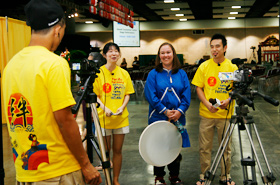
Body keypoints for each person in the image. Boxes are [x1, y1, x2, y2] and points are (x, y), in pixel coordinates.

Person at [2, 0, 102, 184]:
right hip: (58, 170)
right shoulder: (54, 64)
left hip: (25, 170)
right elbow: (64, 121)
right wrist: (86, 164)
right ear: (58, 29)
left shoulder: (11, 66)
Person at [191, 33, 238, 185]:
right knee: (205, 147)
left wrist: (229, 100)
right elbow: (198, 88)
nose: (214, 50)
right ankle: (205, 175)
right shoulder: (204, 66)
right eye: (212, 47)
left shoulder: (232, 67)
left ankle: (225, 176)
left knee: (226, 147)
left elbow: (237, 90)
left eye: (217, 46)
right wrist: (206, 103)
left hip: (225, 115)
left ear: (225, 48)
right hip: (207, 114)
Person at [144, 42, 191, 185]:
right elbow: (150, 95)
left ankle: (174, 176)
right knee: (158, 146)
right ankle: (159, 178)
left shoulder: (182, 74)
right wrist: (164, 110)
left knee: (174, 146)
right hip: (158, 117)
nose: (165, 55)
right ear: (159, 56)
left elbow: (186, 95)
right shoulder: (153, 74)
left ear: (173, 54)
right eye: (162, 53)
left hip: (178, 117)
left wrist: (179, 111)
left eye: (168, 52)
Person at [93, 42, 135, 185]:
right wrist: (105, 109)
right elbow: (95, 95)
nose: (114, 53)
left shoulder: (124, 73)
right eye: (110, 51)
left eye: (116, 51)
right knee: (106, 152)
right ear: (105, 55)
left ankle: (115, 180)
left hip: (120, 119)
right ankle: (108, 180)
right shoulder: (98, 73)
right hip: (104, 118)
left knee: (118, 150)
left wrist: (122, 107)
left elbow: (128, 94)